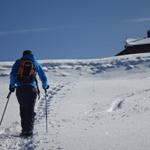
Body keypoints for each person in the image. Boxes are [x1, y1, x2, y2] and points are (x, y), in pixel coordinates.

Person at [9, 50, 49, 137]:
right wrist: (45, 86)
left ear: (23, 55)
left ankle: (24, 131)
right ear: (31, 54)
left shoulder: (18, 62)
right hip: (31, 89)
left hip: (20, 90)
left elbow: (12, 75)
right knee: (30, 110)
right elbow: (43, 76)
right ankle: (29, 131)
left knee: (23, 109)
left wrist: (12, 86)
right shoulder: (35, 63)